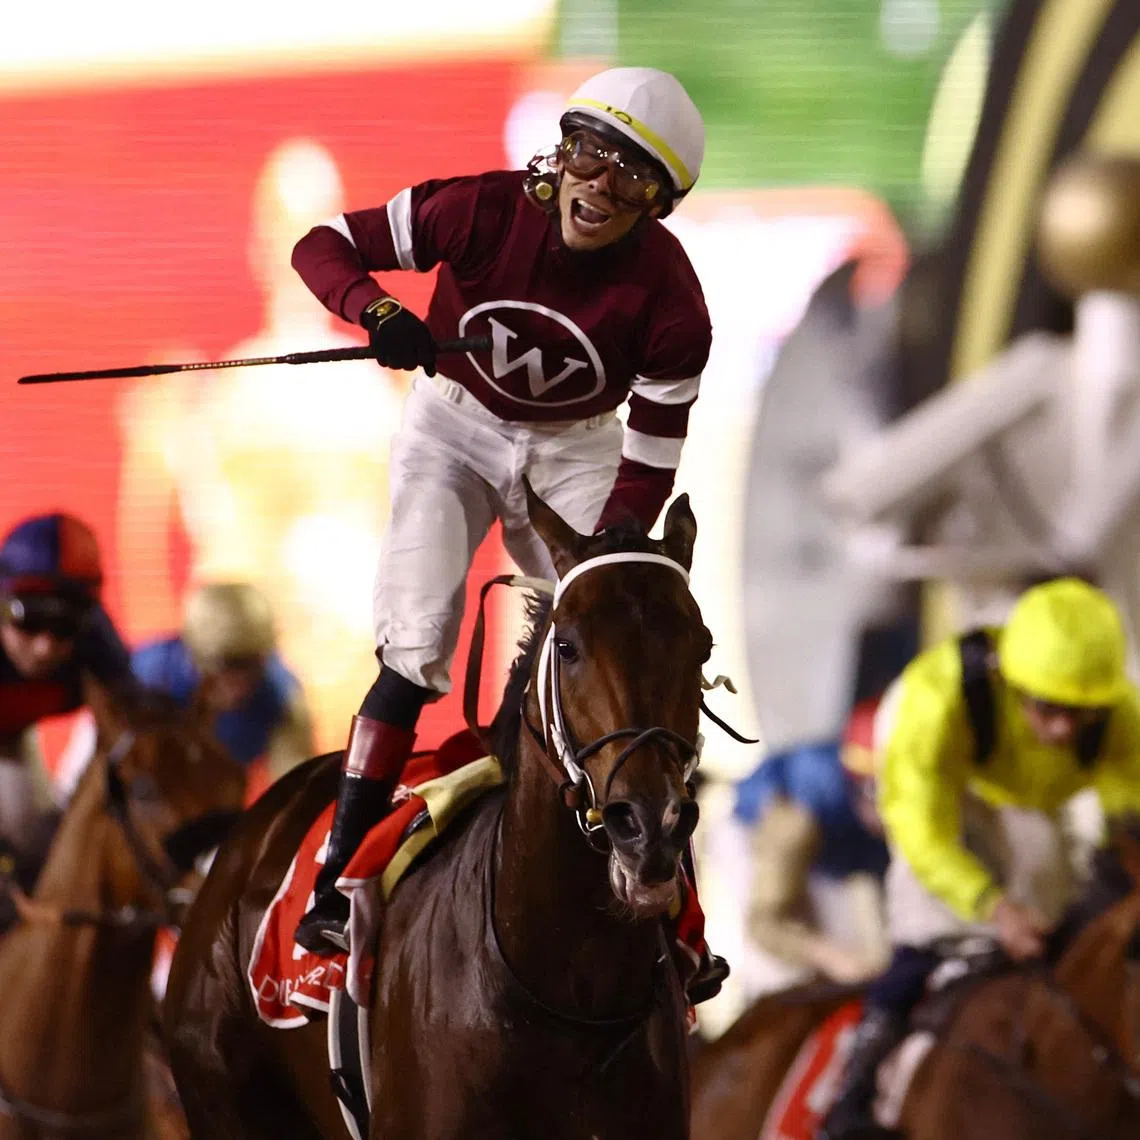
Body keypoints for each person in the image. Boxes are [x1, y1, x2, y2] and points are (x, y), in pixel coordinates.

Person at [288, 65, 726, 998]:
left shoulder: (676, 304)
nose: (601, 184)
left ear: (660, 204)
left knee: (628, 633)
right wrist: (374, 309)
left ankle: (676, 911)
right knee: (415, 650)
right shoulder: (480, 211)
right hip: (452, 423)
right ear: (560, 152)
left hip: (579, 444)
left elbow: (651, 458)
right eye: (591, 152)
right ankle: (334, 876)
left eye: (633, 175)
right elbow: (322, 244)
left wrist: (604, 553)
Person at [818, 577, 1140, 1140]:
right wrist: (992, 908)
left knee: (1055, 907)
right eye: (1049, 708)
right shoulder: (935, 700)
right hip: (938, 786)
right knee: (930, 921)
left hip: (1030, 793)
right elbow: (924, 835)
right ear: (1009, 680)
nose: (1064, 728)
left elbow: (1131, 826)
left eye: (1081, 713)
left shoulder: (1116, 710)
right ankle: (857, 1091)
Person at [0, 512, 133, 892]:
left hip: (12, 738)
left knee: (41, 848)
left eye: (64, 626)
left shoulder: (99, 649)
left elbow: (125, 738)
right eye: (29, 619)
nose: (44, 648)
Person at [735, 699, 889, 988]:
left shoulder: (863, 780)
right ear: (863, 786)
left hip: (832, 846)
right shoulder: (796, 824)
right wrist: (831, 957)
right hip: (755, 832)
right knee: (790, 976)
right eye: (887, 796)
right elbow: (764, 924)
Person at [131, 582, 314, 782]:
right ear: (195, 658)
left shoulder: (283, 694)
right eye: (226, 666)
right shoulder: (151, 677)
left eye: (252, 664)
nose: (240, 682)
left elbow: (293, 787)